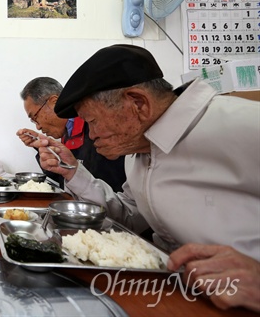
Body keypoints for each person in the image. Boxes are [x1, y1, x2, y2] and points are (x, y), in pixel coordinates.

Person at [35, 44, 260, 312]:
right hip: (169, 294)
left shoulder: (242, 126)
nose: (91, 135)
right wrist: (73, 172)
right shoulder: (137, 154)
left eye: (92, 121)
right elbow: (130, 215)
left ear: (138, 103)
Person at [16, 77, 126, 192]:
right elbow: (63, 179)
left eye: (35, 117)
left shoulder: (97, 129)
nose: (38, 126)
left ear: (54, 102)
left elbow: (109, 186)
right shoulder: (67, 133)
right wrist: (42, 147)